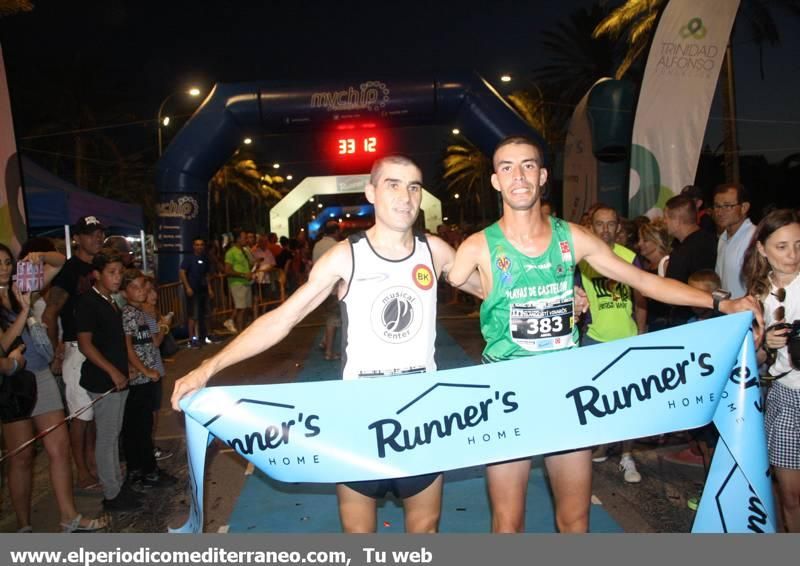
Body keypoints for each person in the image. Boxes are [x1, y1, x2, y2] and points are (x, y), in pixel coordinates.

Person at [446, 135, 762, 533]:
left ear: (542, 175)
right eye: (507, 167)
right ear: (496, 181)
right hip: (508, 394)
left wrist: (721, 303)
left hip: (566, 389)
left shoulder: (572, 238)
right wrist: (487, 291)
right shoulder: (478, 245)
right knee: (508, 523)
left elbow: (640, 281)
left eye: (528, 165)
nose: (519, 176)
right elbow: (446, 271)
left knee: (575, 520)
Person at [172, 154, 483, 533]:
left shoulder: (434, 251)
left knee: (425, 531)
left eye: (414, 186)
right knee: (358, 536)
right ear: (371, 192)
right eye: (393, 185)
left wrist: (567, 298)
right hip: (359, 415)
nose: (406, 196)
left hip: (422, 413)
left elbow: (491, 293)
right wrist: (207, 368)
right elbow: (282, 319)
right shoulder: (345, 257)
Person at [0, 243, 106, 532]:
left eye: (8, 262)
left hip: (40, 374)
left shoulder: (20, 289)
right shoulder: (18, 299)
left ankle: (69, 517)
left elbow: (60, 264)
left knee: (58, 447)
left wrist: (41, 257)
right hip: (13, 383)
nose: (5, 267)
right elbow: (4, 344)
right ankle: (23, 526)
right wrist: (24, 312)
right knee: (21, 457)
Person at [578, 205, 646, 483]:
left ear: (618, 227)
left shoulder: (630, 258)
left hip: (626, 339)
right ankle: (603, 445)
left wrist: (642, 333)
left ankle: (627, 456)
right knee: (596, 400)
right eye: (600, 224)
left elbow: (642, 297)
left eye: (611, 224)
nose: (605, 229)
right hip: (594, 340)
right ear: (591, 227)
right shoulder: (581, 261)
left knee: (630, 401)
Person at [743, 209, 800, 532]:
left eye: (798, 244)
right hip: (786, 398)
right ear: (762, 249)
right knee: (790, 496)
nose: (792, 255)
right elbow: (757, 360)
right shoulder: (758, 296)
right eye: (782, 246)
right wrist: (769, 343)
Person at [42, 215, 104, 491]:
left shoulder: (100, 267)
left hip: (99, 348)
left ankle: (92, 462)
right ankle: (81, 470)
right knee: (80, 414)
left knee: (94, 412)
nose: (97, 238)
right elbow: (50, 312)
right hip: (76, 349)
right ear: (77, 238)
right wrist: (55, 351)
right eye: (90, 233)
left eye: (100, 233)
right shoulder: (70, 270)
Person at [76, 248, 140, 511]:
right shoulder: (88, 303)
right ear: (96, 274)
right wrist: (112, 371)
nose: (117, 278)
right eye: (111, 273)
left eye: (119, 273)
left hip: (118, 378)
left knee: (114, 436)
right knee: (107, 437)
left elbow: (115, 343)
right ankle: (112, 493)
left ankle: (116, 484)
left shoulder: (111, 301)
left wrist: (125, 367)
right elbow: (85, 345)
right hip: (103, 381)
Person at [119, 268, 178, 489]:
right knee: (137, 427)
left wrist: (163, 324)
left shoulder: (145, 312)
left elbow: (154, 341)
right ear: (125, 292)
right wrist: (144, 370)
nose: (142, 291)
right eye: (135, 287)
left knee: (143, 425)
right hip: (139, 379)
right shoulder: (128, 314)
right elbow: (128, 348)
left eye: (144, 286)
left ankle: (143, 469)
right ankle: (144, 470)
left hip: (152, 374)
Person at [663, 195, 718, 326]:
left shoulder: (681, 252)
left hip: (687, 322)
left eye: (666, 217)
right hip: (712, 315)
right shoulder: (713, 241)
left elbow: (670, 294)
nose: (664, 222)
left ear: (677, 220)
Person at [713, 183, 755, 299]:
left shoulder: (754, 238)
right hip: (726, 311)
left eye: (727, 206)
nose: (720, 212)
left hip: (747, 313)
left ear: (744, 208)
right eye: (717, 206)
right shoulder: (722, 238)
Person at [312, 222, 342, 360]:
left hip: (320, 288)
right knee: (333, 320)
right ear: (336, 232)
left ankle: (325, 342)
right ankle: (329, 352)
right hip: (333, 289)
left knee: (330, 317)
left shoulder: (317, 245)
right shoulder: (336, 246)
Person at [180, 237, 214, 348]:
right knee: (193, 315)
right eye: (197, 244)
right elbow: (182, 272)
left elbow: (207, 275)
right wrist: (187, 287)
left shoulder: (205, 258)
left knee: (207, 313)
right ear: (193, 246)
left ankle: (208, 335)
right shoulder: (188, 258)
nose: (199, 247)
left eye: (201, 244)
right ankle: (192, 339)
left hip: (203, 289)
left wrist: (209, 289)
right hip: (193, 290)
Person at [224, 229, 253, 334]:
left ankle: (243, 330)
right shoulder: (231, 252)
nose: (246, 240)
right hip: (237, 283)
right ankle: (241, 332)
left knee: (245, 309)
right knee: (241, 309)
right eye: (244, 238)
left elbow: (250, 264)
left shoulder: (245, 251)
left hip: (246, 282)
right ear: (238, 239)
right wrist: (243, 274)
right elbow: (227, 270)